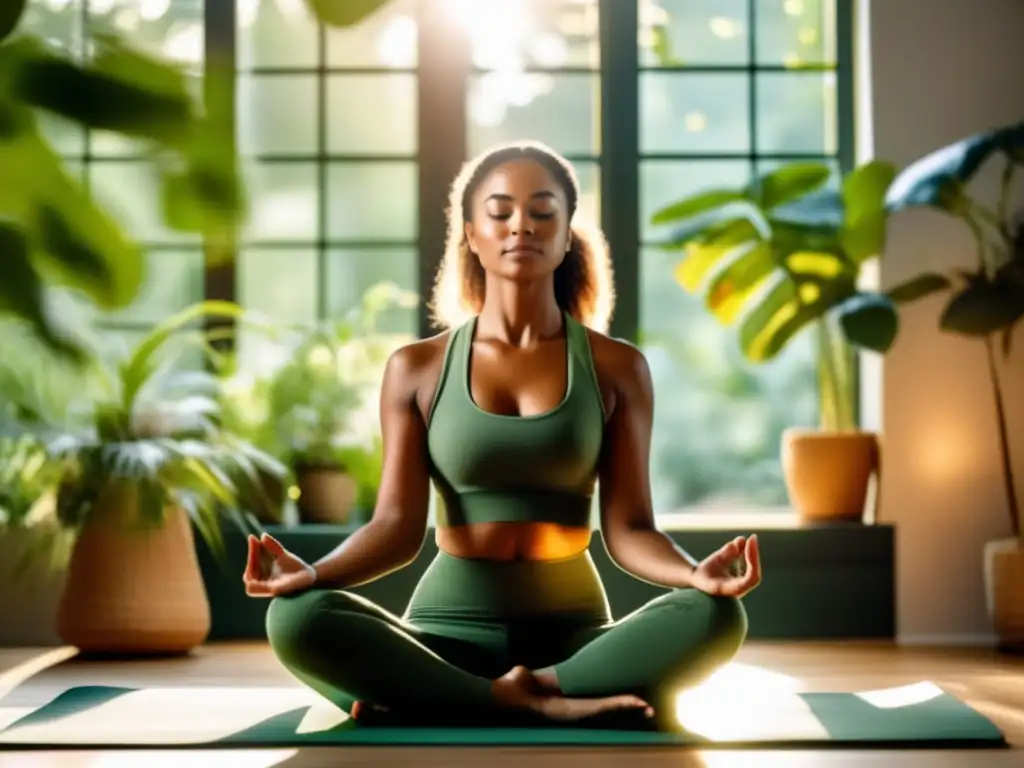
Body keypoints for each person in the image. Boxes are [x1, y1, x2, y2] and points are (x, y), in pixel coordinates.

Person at [242, 139, 762, 729]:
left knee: (719, 617)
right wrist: (312, 575)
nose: (523, 226)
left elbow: (631, 531)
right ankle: (516, 699)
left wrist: (695, 575)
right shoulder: (416, 368)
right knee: (295, 619)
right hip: (446, 637)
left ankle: (468, 697)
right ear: (470, 232)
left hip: (574, 643)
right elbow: (394, 529)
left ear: (568, 236)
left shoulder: (618, 367)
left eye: (544, 213)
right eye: (500, 212)